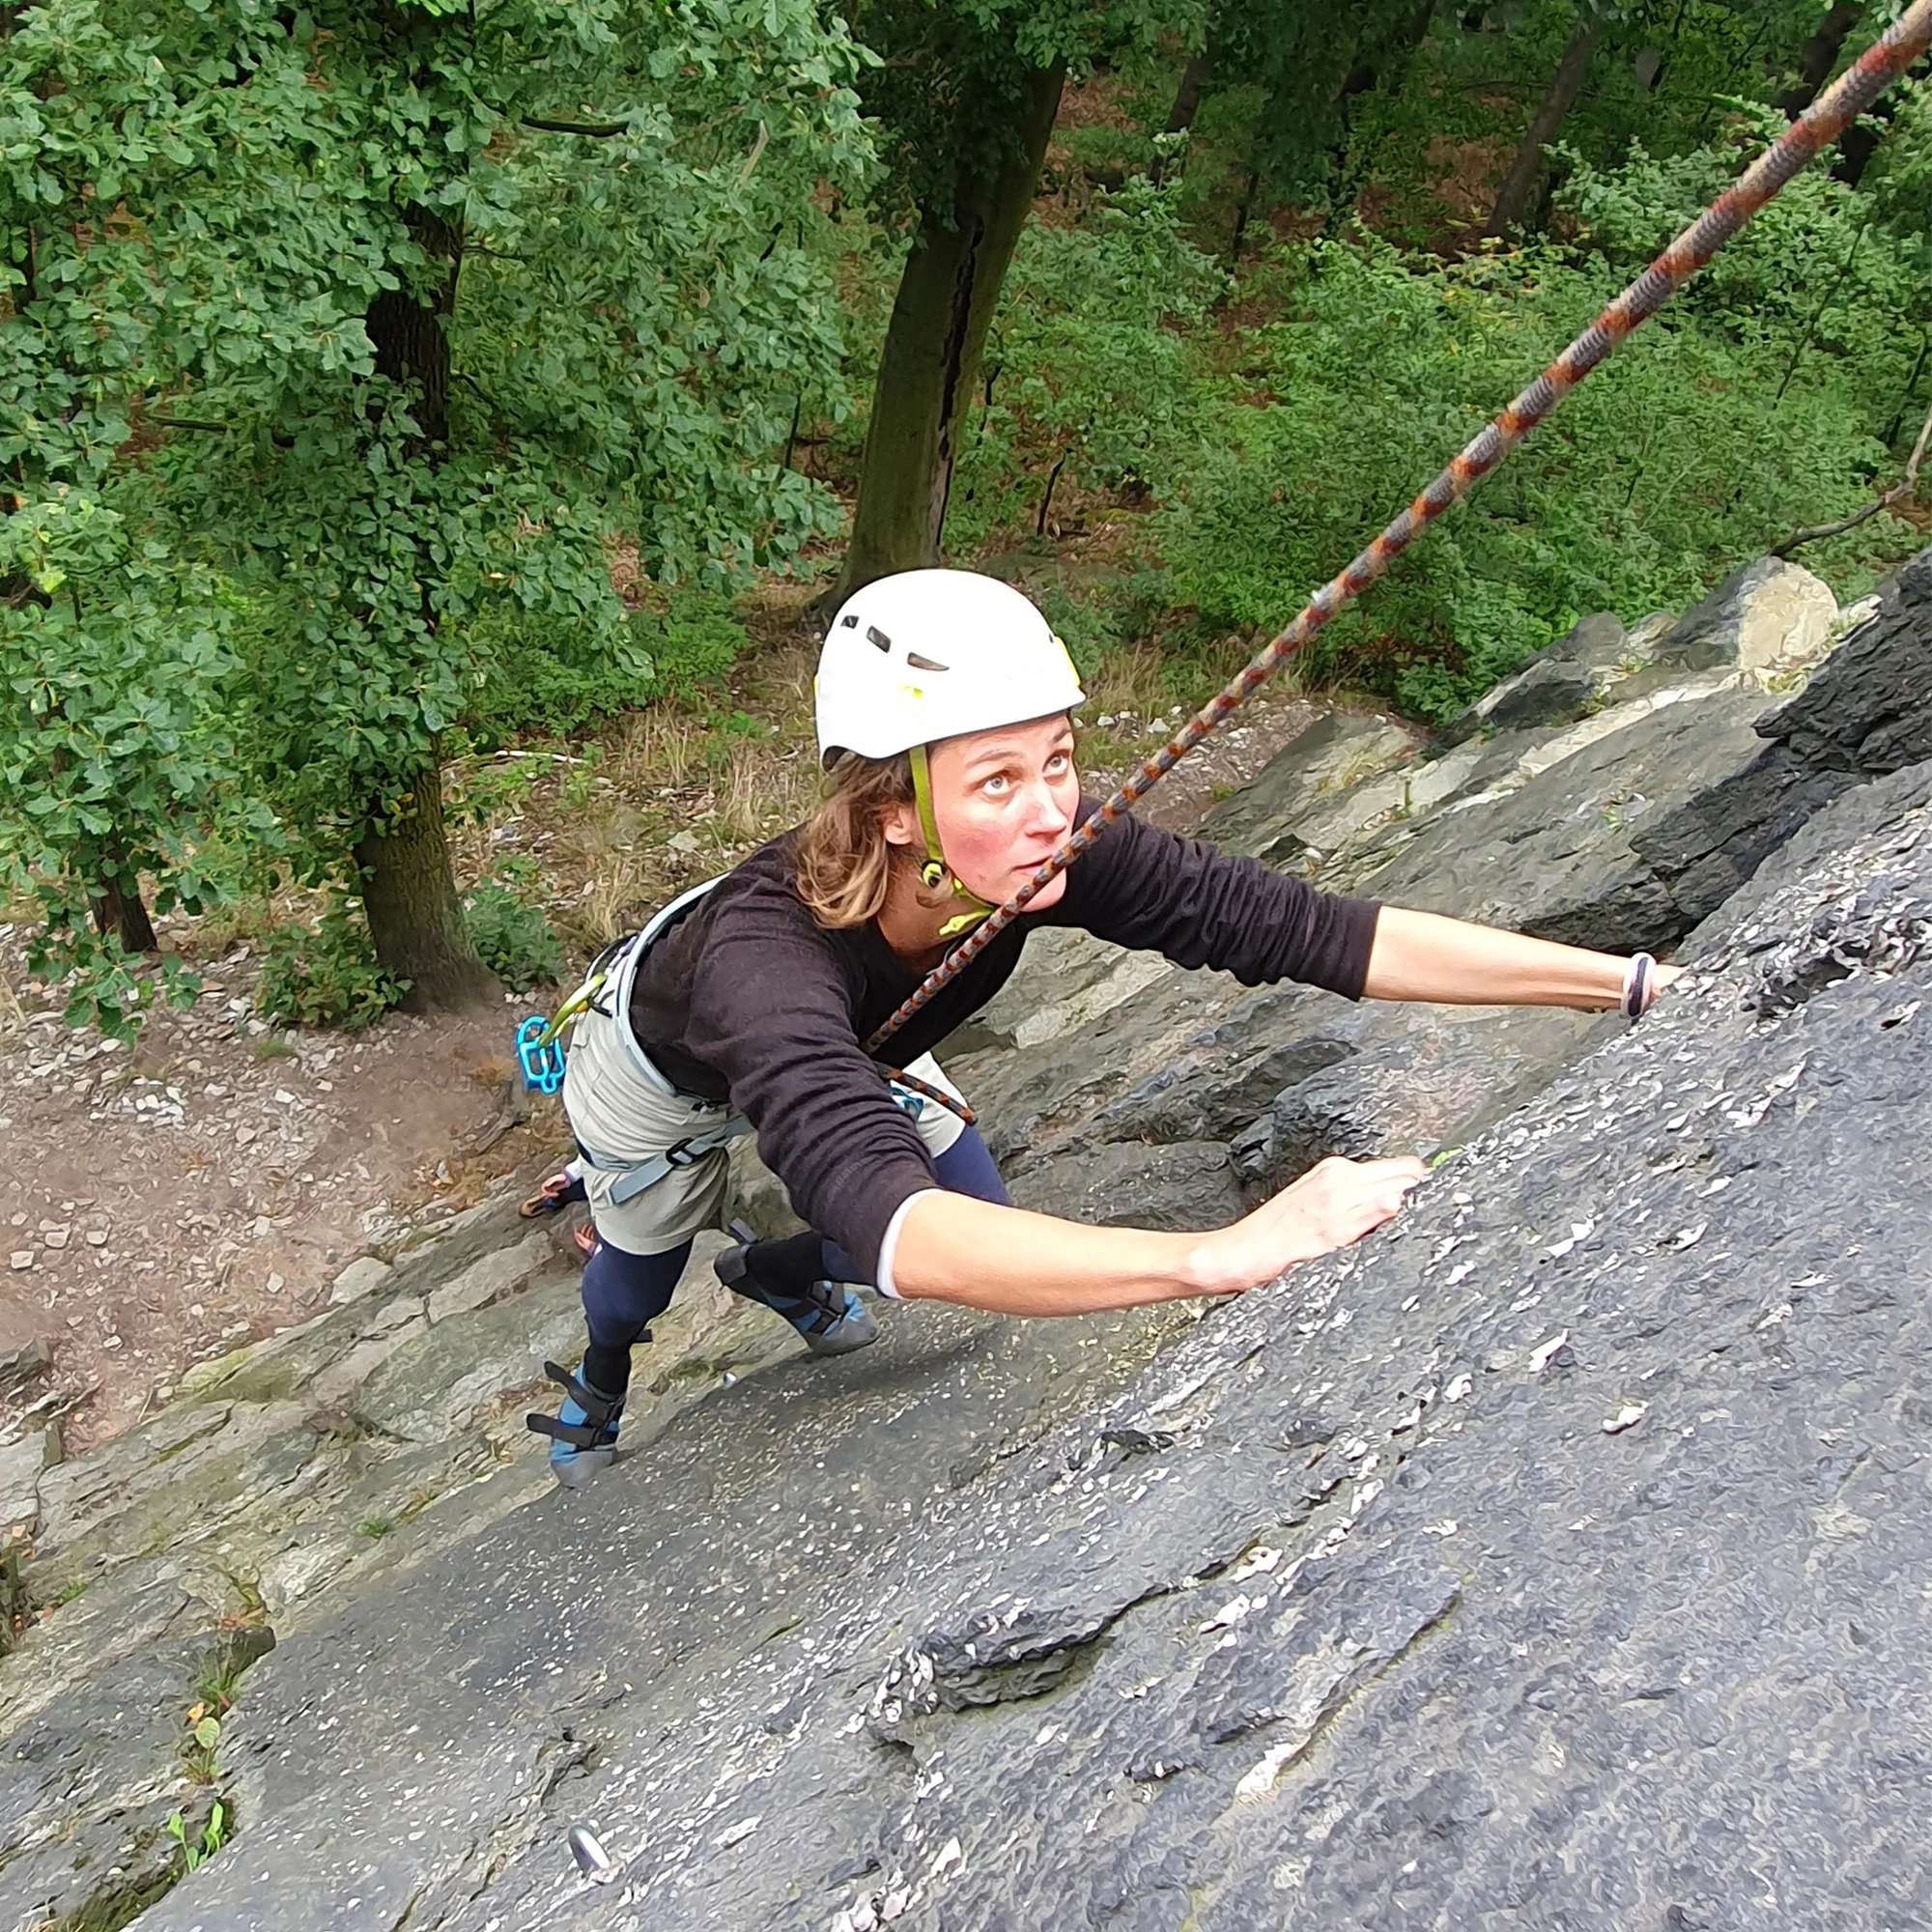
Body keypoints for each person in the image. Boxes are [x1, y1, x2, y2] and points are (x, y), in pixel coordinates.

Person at [527, 570, 1676, 1485]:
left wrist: (1618, 983)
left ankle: (773, 1269)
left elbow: (1304, 929)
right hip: (657, 1072)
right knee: (637, 1275)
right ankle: (602, 1376)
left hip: (865, 1032)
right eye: (995, 780)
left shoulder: (1049, 848)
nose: (1050, 812)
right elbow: (887, 1218)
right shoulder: (759, 956)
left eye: (1058, 761)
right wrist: (1219, 1256)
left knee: (976, 1226)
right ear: (889, 812)